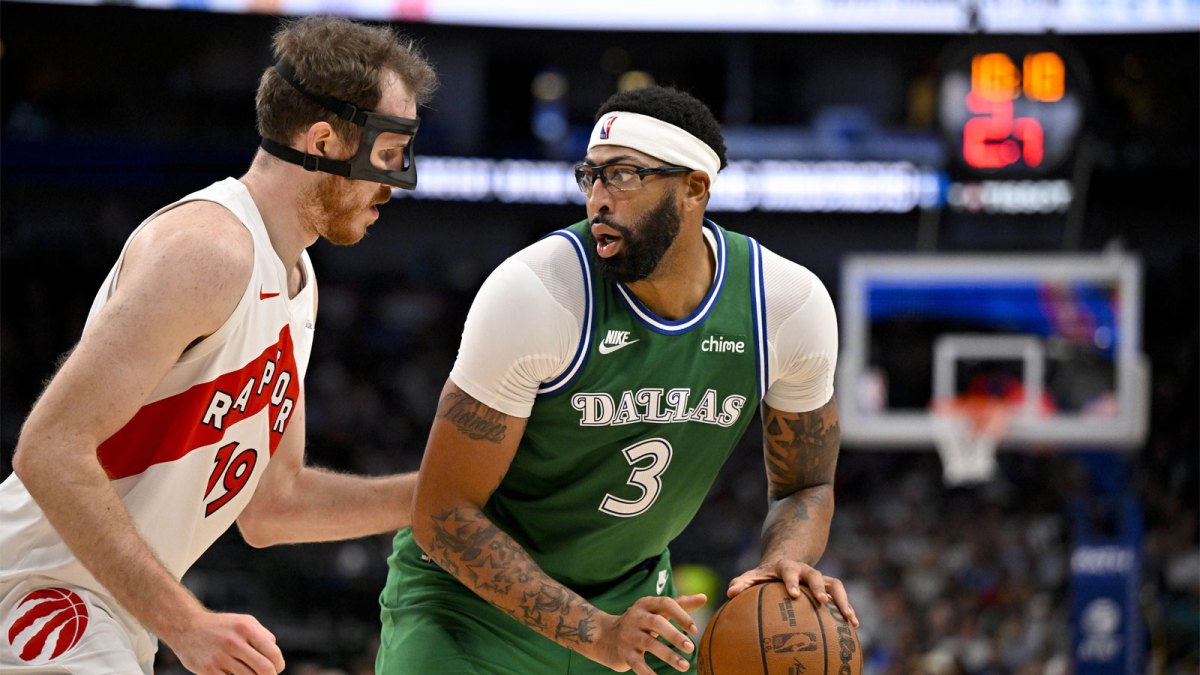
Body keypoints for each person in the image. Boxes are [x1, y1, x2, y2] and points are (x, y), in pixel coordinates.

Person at [0, 16, 436, 675]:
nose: (396, 183)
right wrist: (186, 622)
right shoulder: (209, 250)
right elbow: (49, 449)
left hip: (111, 607)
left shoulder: (297, 280)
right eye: (388, 154)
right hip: (38, 589)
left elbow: (274, 503)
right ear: (323, 141)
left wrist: (438, 497)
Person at [378, 86, 857, 674]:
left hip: (634, 606)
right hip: (468, 608)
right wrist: (594, 632)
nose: (598, 199)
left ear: (694, 189)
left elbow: (807, 485)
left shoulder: (784, 306)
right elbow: (442, 512)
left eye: (624, 176)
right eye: (591, 177)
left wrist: (785, 557)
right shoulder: (538, 291)